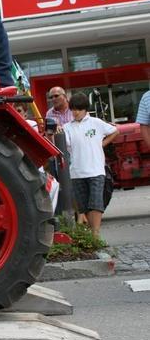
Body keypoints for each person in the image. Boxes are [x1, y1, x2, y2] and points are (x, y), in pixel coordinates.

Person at [63, 93, 119, 238]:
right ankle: (92, 234)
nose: (75, 112)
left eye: (78, 109)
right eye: (73, 109)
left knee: (96, 203)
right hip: (77, 171)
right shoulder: (66, 127)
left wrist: (102, 144)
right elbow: (64, 144)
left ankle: (95, 234)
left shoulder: (96, 122)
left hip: (96, 169)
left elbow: (115, 131)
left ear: (85, 109)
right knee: (84, 205)